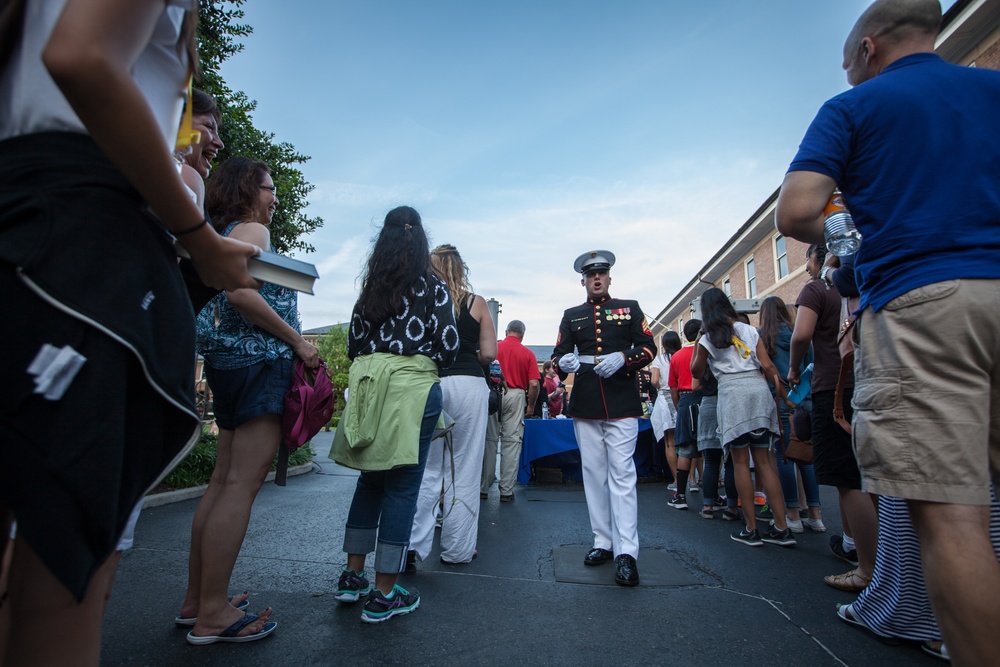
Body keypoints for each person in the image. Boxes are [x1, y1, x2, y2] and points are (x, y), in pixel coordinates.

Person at [0, 1, 260, 663]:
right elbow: (83, 57)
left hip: (31, 227)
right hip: (81, 251)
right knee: (65, 576)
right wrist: (196, 236)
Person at [776, 1, 1000, 661]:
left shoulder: (855, 108)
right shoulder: (991, 87)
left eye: (850, 65)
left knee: (952, 515)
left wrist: (853, 236)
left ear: (869, 50)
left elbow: (797, 209)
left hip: (923, 302)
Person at [181, 157, 319, 645]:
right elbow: (241, 295)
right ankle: (213, 613)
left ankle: (198, 598)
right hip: (260, 364)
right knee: (241, 484)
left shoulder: (220, 231)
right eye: (268, 187)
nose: (274, 197)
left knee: (221, 481)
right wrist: (298, 342)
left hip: (228, 365)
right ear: (247, 189)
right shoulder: (254, 233)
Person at [331, 206, 458, 623]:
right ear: (420, 240)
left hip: (369, 385)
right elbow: (449, 344)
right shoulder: (433, 287)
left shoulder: (370, 288)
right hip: (412, 389)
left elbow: (353, 342)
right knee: (402, 488)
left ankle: (353, 577)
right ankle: (385, 592)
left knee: (370, 481)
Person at [553, 250, 655, 586]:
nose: (597, 279)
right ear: (583, 280)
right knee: (593, 473)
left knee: (622, 474)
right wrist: (562, 363)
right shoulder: (571, 315)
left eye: (602, 274)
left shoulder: (630, 308)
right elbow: (558, 355)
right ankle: (603, 541)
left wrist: (624, 358)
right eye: (591, 275)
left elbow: (648, 347)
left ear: (609, 278)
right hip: (585, 400)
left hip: (621, 399)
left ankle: (627, 552)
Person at [789, 245, 875, 591]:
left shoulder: (816, 289)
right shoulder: (866, 275)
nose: (806, 267)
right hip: (869, 378)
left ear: (817, 258)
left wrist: (795, 369)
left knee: (847, 478)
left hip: (833, 386)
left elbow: (801, 334)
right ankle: (874, 551)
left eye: (808, 259)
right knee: (875, 476)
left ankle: (868, 568)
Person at [410, 244, 496, 566]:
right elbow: (489, 354)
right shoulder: (477, 303)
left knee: (427, 468)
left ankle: (413, 548)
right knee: (464, 466)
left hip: (430, 382)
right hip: (469, 384)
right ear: (461, 269)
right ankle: (458, 550)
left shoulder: (421, 301)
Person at [690, 288, 795, 548]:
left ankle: (751, 529)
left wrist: (698, 342)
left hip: (732, 394)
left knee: (739, 464)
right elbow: (768, 366)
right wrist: (784, 397)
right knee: (765, 462)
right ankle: (782, 528)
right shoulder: (748, 330)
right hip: (758, 391)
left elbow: (696, 371)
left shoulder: (708, 338)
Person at [757, 295, 824, 533]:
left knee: (784, 457)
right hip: (805, 401)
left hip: (779, 402)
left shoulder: (762, 338)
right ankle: (815, 514)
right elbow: (813, 368)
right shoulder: (799, 334)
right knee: (805, 455)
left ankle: (792, 514)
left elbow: (762, 371)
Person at [492, 320, 540, 502]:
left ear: (506, 332)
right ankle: (506, 490)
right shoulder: (528, 353)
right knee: (511, 442)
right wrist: (531, 405)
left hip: (493, 394)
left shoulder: (495, 348)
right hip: (516, 394)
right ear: (523, 334)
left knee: (489, 440)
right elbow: (534, 383)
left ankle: (483, 487)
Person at [666, 320, 704, 509]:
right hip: (707, 398)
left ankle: (680, 494)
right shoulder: (706, 350)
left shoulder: (677, 356)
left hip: (685, 401)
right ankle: (712, 499)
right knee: (712, 449)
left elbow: (673, 387)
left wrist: (678, 406)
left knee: (685, 448)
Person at [650, 332, 681, 485]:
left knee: (670, 441)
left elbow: (654, 380)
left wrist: (660, 386)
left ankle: (677, 479)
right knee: (689, 441)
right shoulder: (682, 356)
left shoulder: (659, 359)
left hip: (665, 396)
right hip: (683, 395)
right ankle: (694, 479)